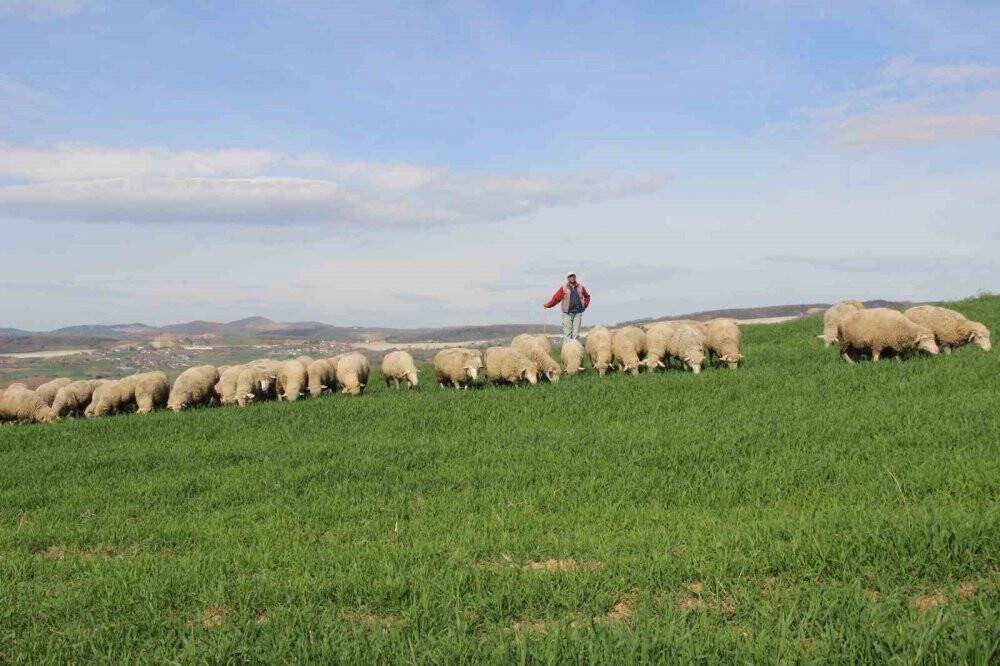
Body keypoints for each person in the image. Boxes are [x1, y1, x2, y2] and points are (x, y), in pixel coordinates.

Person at [543, 272, 591, 344]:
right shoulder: (564, 288)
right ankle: (566, 349)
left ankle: (575, 350)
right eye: (570, 276)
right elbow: (556, 299)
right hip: (567, 313)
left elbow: (587, 296)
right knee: (567, 333)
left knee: (575, 334)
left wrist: (585, 305)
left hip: (578, 313)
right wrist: (548, 305)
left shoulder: (581, 287)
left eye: (573, 276)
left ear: (575, 277)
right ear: (568, 278)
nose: (572, 278)